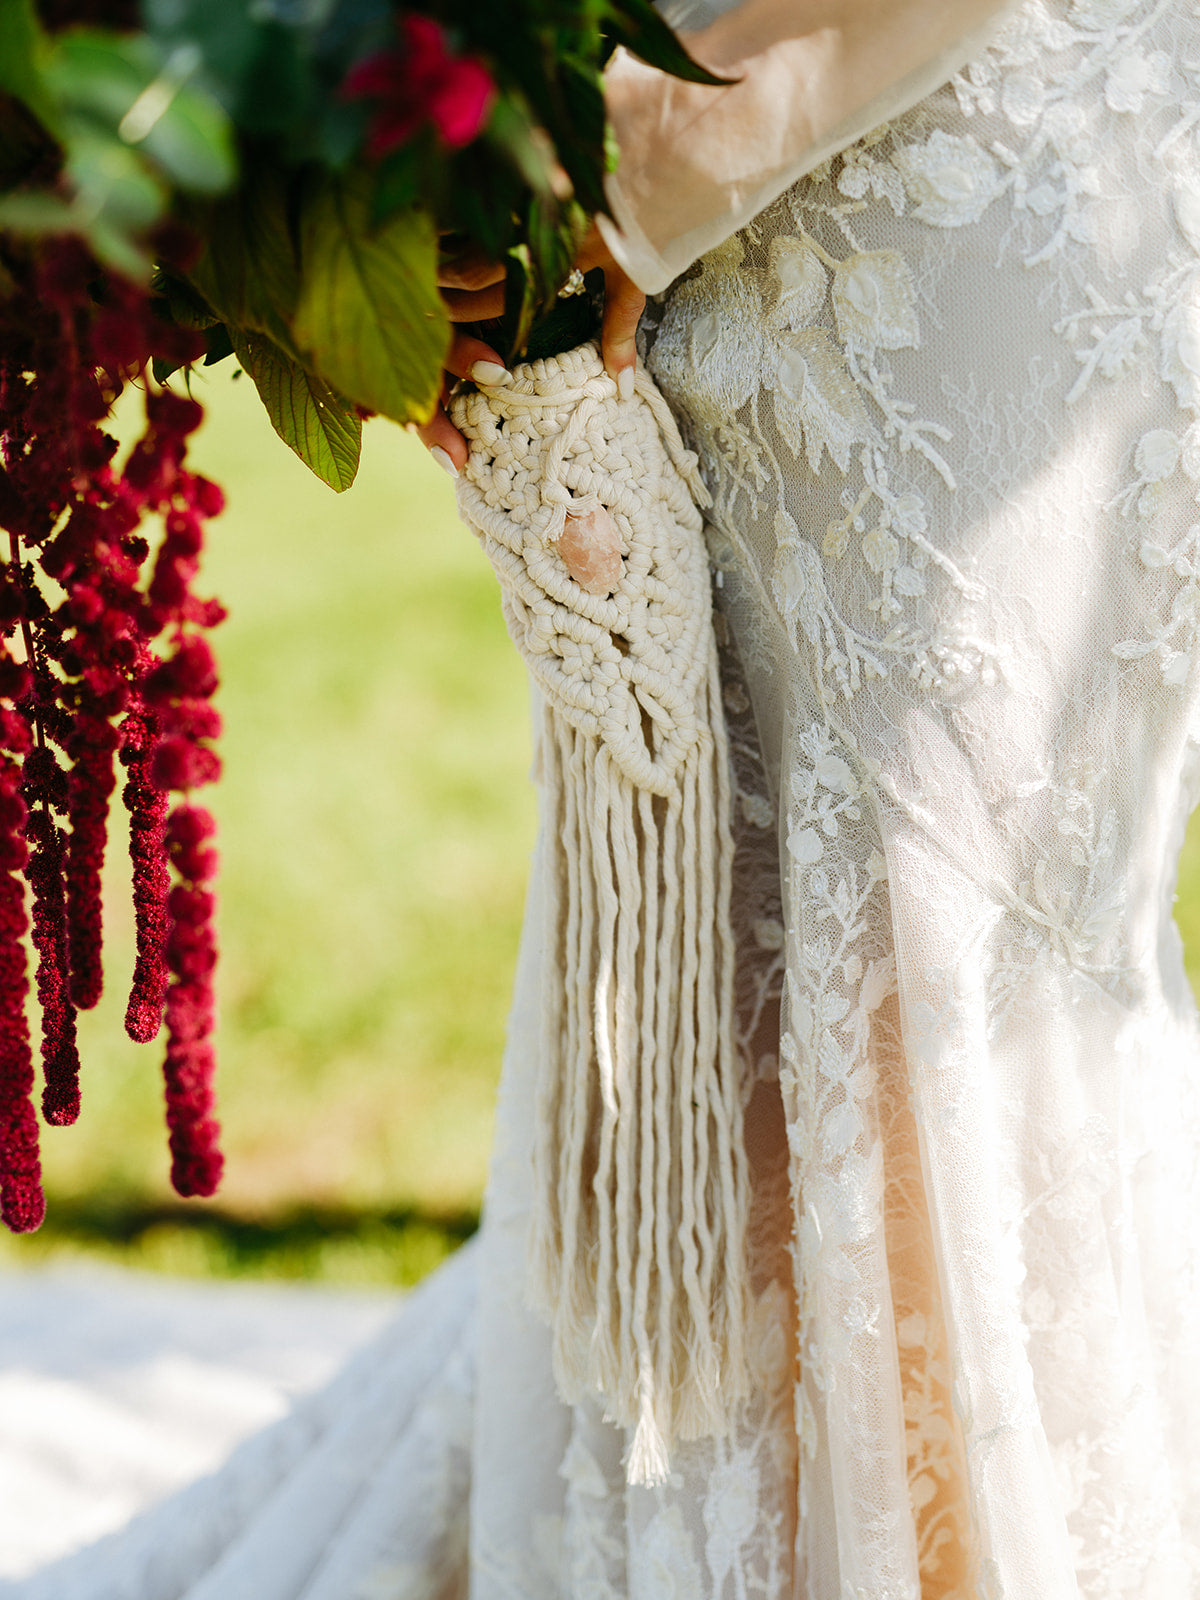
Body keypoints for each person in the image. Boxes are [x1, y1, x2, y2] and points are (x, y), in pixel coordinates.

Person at [14, 0, 1200, 1594]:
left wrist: (612, 179)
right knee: (733, 965)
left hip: (963, 178)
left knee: (921, 981)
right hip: (654, 191)